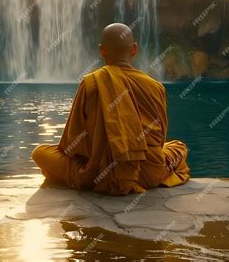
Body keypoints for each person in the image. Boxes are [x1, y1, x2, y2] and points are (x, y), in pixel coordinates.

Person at [32, 23, 190, 195]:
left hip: (99, 173)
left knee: (40, 153)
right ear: (134, 50)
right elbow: (159, 140)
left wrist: (103, 149)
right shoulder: (156, 87)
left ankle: (73, 174)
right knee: (179, 147)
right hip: (148, 172)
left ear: (102, 50)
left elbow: (71, 142)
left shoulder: (90, 83)